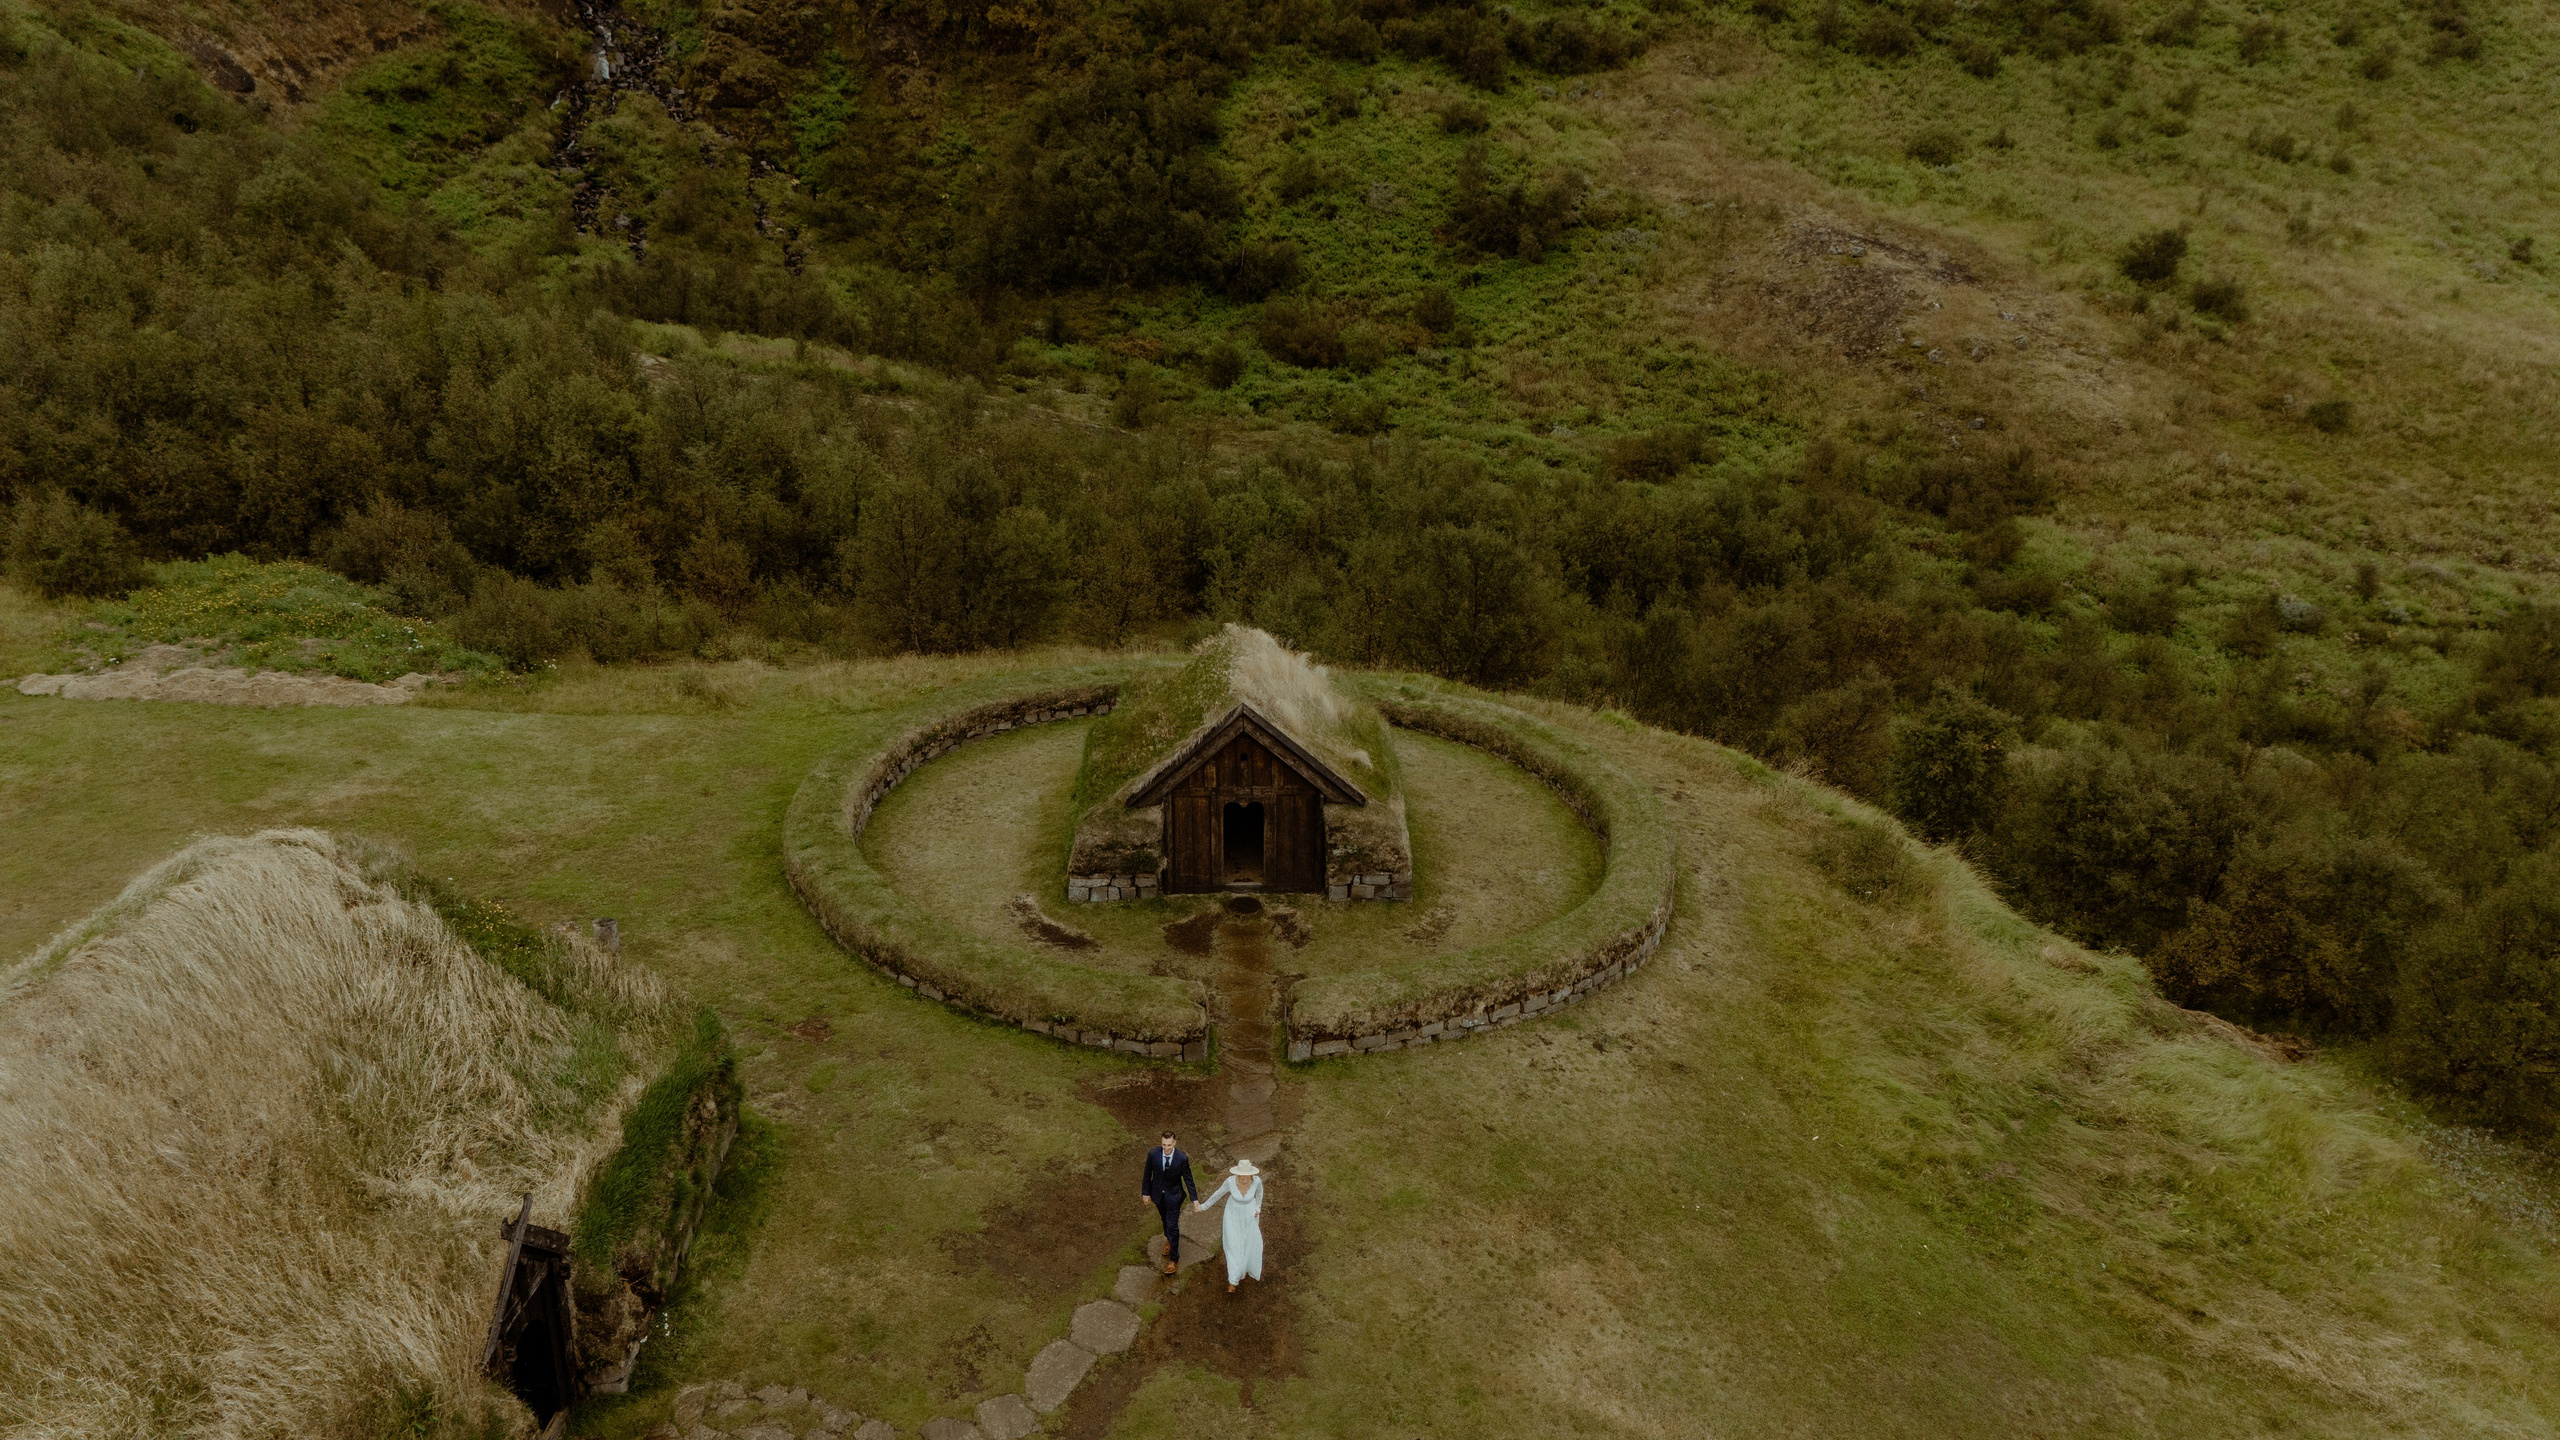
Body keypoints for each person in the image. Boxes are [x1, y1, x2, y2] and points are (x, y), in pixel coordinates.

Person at [1194, 1159, 1265, 1293]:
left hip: (1249, 1216)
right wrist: (1203, 1207)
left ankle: (1243, 1268)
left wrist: (1257, 1209)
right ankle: (1233, 1280)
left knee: (1247, 1243)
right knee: (1233, 1245)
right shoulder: (1230, 1182)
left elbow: (1259, 1194)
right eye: (1241, 1176)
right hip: (1232, 1215)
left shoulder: (1257, 1181)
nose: (1244, 1179)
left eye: (1247, 1176)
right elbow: (1217, 1194)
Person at [1140, 1131, 1198, 1275]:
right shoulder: (1153, 1154)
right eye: (1163, 1145)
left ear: (1174, 1143)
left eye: (1169, 1145)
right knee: (1164, 1220)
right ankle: (1169, 1239)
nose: (1166, 1148)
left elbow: (1188, 1179)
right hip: (1158, 1195)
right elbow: (1147, 1174)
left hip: (1174, 1196)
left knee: (1172, 1225)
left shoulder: (1182, 1158)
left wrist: (1194, 1199)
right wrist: (1145, 1193)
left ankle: (1174, 1259)